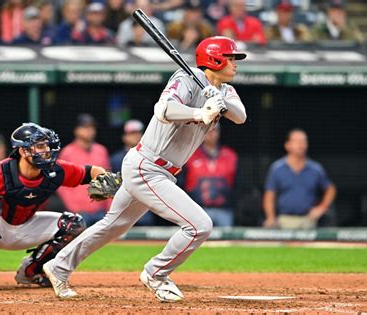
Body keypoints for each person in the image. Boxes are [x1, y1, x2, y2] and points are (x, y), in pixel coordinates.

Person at [43, 36, 247, 301]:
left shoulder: (225, 89)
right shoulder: (186, 77)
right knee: (199, 225)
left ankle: (58, 266)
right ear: (214, 59)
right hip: (147, 166)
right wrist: (199, 113)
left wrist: (218, 100)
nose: (235, 64)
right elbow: (163, 109)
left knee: (113, 225)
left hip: (161, 171)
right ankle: (156, 273)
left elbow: (240, 116)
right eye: (230, 58)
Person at [0, 123, 110, 292]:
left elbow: (92, 171)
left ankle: (30, 272)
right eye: (40, 146)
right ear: (23, 150)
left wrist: (104, 181)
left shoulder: (55, 170)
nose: (46, 150)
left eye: (47, 145)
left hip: (26, 226)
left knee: (74, 224)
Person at [263, 129, 337, 229]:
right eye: (297, 141)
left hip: (308, 220)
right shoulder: (277, 168)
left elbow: (330, 189)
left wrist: (321, 208)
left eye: (304, 141)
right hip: (285, 220)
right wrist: (270, 217)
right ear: (287, 145)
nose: (301, 145)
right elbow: (269, 196)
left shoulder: (315, 169)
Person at [57, 114, 111, 226]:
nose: (89, 130)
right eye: (85, 127)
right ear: (76, 130)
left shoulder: (101, 150)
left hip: (100, 210)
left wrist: (109, 207)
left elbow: (107, 180)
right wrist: (72, 206)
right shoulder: (67, 152)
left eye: (92, 127)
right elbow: (60, 183)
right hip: (78, 211)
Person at [181, 125, 239, 227]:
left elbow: (238, 184)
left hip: (224, 210)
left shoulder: (230, 155)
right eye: (207, 131)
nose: (210, 133)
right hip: (197, 210)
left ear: (219, 133)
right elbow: (181, 183)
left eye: (214, 130)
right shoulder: (189, 154)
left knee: (226, 241)